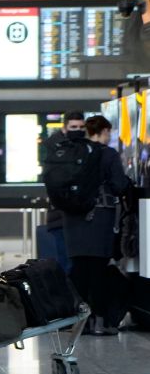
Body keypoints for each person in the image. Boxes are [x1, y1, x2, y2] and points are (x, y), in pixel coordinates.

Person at [62, 115, 130, 335]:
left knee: (79, 271)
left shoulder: (72, 152)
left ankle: (78, 322)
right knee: (98, 271)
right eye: (108, 132)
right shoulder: (108, 154)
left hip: (73, 219)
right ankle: (99, 322)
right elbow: (119, 185)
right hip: (100, 218)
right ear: (104, 131)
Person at [41, 112, 85, 275]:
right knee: (66, 262)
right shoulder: (54, 147)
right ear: (65, 128)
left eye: (81, 127)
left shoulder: (83, 146)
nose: (78, 130)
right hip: (61, 215)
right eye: (74, 127)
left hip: (78, 215)